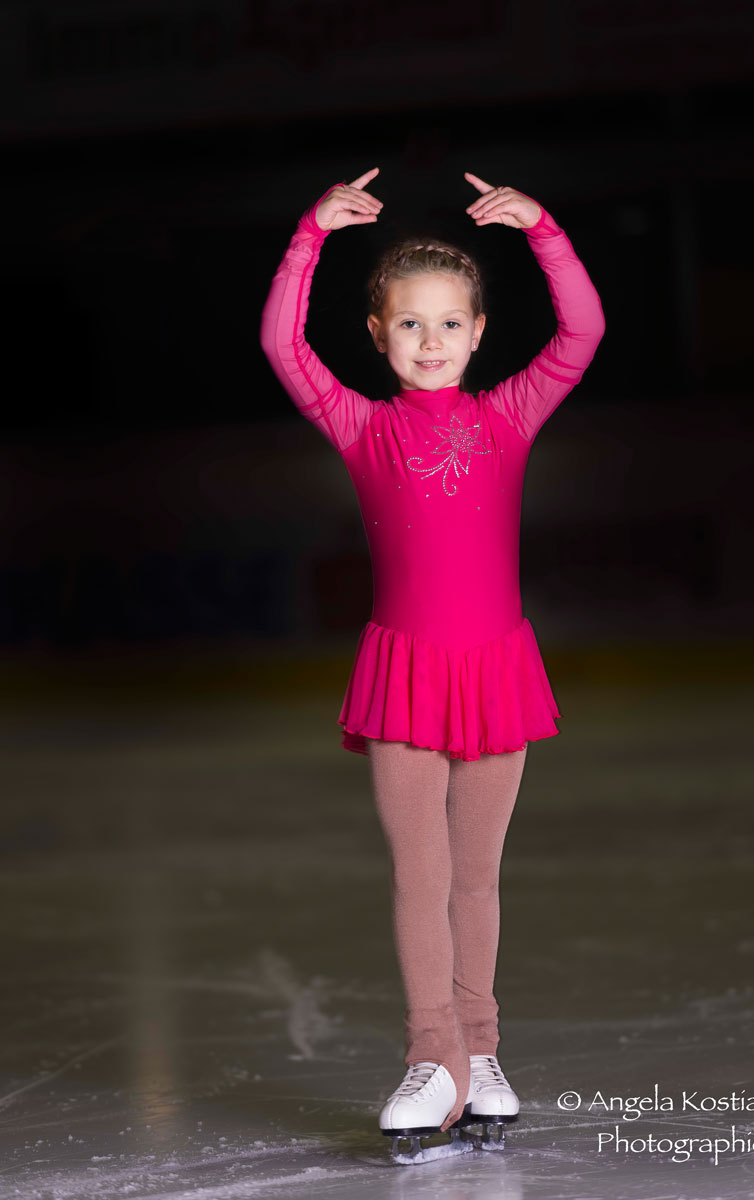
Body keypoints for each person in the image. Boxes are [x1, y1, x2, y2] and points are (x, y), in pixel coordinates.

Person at [260, 166, 605, 1162]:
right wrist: (308, 237)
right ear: (377, 335)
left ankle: (480, 1055)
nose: (429, 340)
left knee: (476, 880)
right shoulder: (360, 425)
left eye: (449, 323)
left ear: (479, 331)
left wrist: (543, 230)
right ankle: (430, 1057)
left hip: (494, 671)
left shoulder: (509, 416)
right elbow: (281, 345)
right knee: (421, 876)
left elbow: (581, 332)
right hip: (404, 677)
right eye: (408, 324)